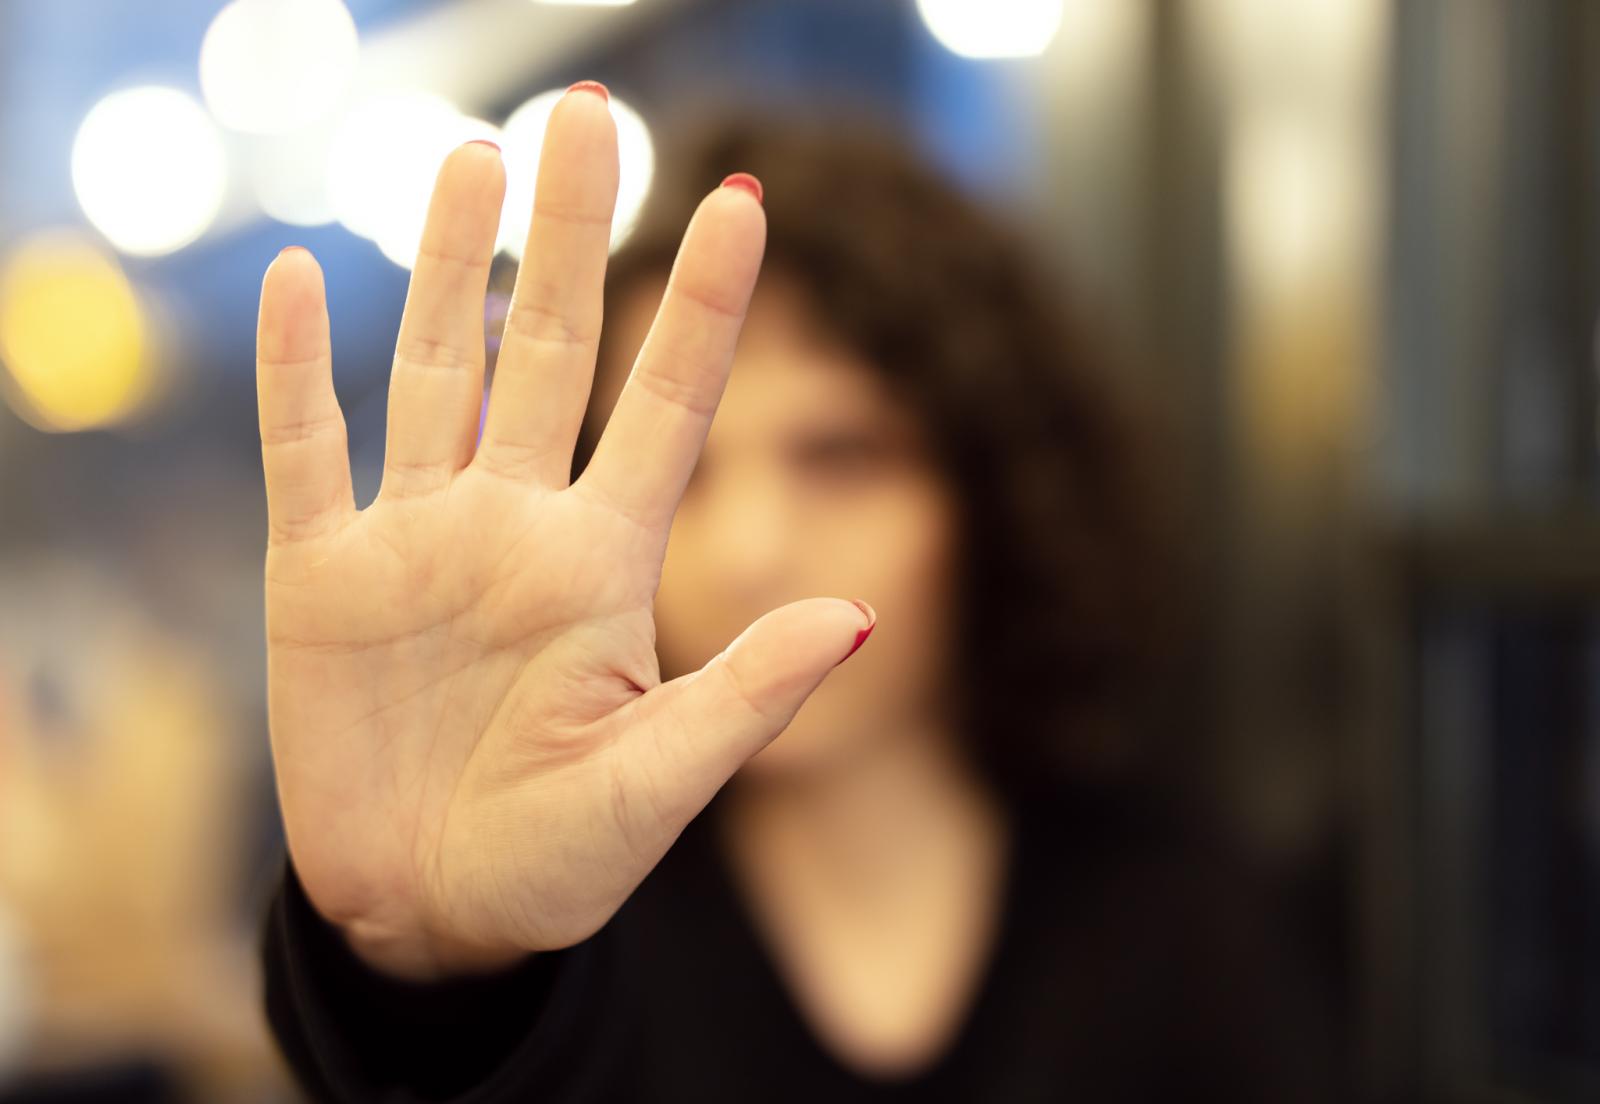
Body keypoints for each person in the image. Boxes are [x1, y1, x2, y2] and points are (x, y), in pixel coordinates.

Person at [256, 81, 1341, 1101]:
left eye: (841, 455)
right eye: (686, 473)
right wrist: (430, 964)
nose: (751, 552)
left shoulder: (1176, 921)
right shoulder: (570, 912)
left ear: (994, 491)